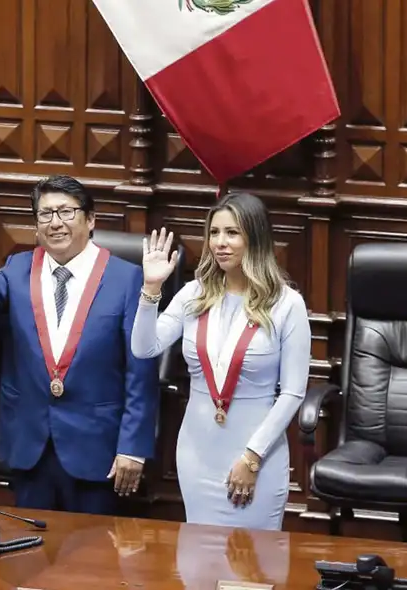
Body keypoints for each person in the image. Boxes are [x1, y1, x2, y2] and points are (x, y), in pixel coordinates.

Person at [0, 175, 159, 515]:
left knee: (91, 558)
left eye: (66, 212)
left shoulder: (126, 278)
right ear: (35, 226)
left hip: (98, 449)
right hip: (31, 444)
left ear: (91, 220)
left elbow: (141, 370)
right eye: (45, 214)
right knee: (29, 556)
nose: (55, 222)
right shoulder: (18, 268)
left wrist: (132, 447)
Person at [130, 191, 311, 530]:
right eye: (214, 233)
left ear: (255, 238)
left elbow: (293, 393)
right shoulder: (194, 293)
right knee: (200, 568)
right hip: (196, 455)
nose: (220, 243)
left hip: (256, 457)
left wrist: (252, 457)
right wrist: (151, 289)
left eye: (232, 233)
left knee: (249, 572)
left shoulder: (287, 304)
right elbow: (145, 347)